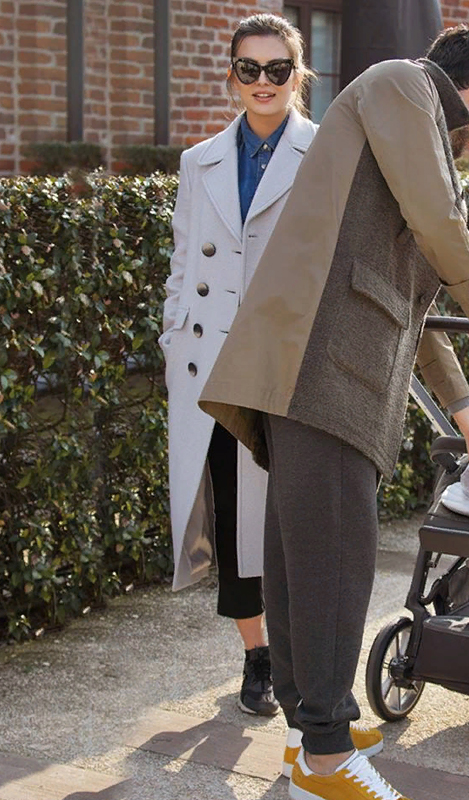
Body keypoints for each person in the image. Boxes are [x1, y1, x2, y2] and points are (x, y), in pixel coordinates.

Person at [199, 24, 469, 800]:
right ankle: (325, 757)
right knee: (335, 565)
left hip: (322, 368)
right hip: (326, 366)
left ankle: (305, 735)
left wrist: (467, 417)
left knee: (299, 562)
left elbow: (411, 299)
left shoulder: (404, 128)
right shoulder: (401, 85)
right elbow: (439, 219)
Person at [158, 13, 316, 717]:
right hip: (214, 365)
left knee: (291, 516)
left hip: (290, 366)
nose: (263, 81)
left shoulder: (326, 152)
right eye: (249, 69)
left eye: (277, 69)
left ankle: (303, 655)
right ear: (232, 76)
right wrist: (175, 340)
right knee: (233, 515)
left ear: (298, 75)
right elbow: (182, 261)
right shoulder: (199, 162)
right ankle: (258, 657)